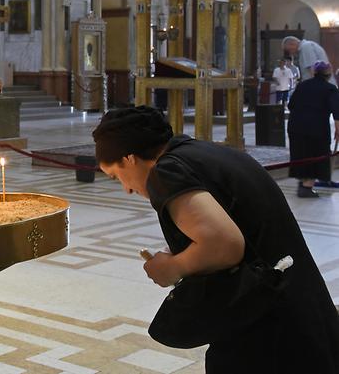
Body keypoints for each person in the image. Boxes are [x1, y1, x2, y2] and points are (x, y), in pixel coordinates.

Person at [92, 106, 339, 373]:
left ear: (129, 159)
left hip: (268, 334)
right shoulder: (210, 153)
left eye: (116, 176)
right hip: (303, 313)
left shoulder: (167, 172)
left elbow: (224, 244)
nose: (126, 189)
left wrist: (170, 268)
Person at [288, 60, 339, 196]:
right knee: (316, 154)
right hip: (316, 128)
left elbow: (290, 105)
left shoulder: (302, 85)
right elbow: (337, 111)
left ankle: (303, 183)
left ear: (314, 72)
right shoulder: (330, 88)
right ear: (328, 74)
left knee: (301, 153)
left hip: (295, 126)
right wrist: (338, 130)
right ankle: (306, 187)